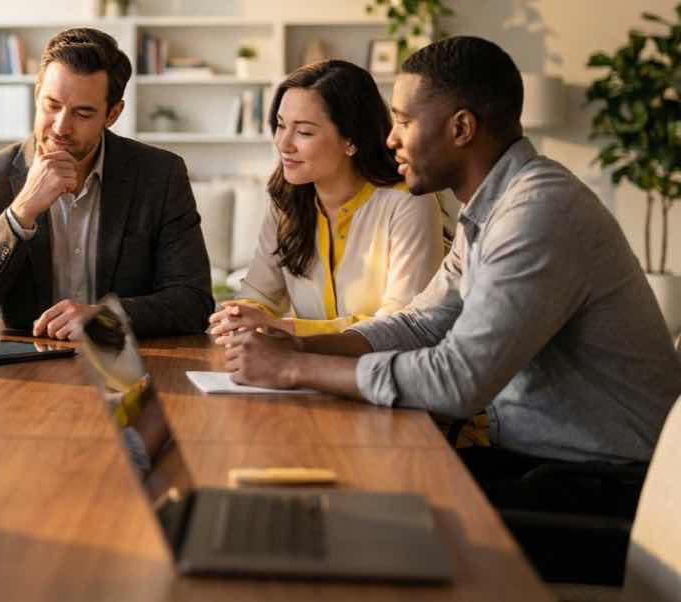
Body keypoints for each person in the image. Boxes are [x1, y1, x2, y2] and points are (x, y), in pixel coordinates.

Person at [222, 37, 681, 553]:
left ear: (461, 128)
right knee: (348, 488)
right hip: (537, 464)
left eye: (403, 121)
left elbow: (458, 380)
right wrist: (300, 348)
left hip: (606, 488)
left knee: (361, 519)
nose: (390, 139)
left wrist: (293, 369)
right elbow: (419, 324)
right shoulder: (490, 210)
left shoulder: (537, 213)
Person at [0, 27, 212, 340]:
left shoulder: (160, 175)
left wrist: (104, 317)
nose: (60, 127)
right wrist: (21, 212)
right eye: (51, 105)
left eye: (82, 113)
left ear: (112, 114)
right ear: (36, 94)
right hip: (19, 367)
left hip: (126, 363)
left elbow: (193, 302)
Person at [209, 60, 445, 339]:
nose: (283, 144)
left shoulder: (409, 202)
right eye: (281, 126)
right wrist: (240, 315)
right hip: (299, 373)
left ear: (351, 140)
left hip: (380, 375)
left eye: (304, 132)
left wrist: (286, 328)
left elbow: (401, 324)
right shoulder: (286, 200)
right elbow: (260, 294)